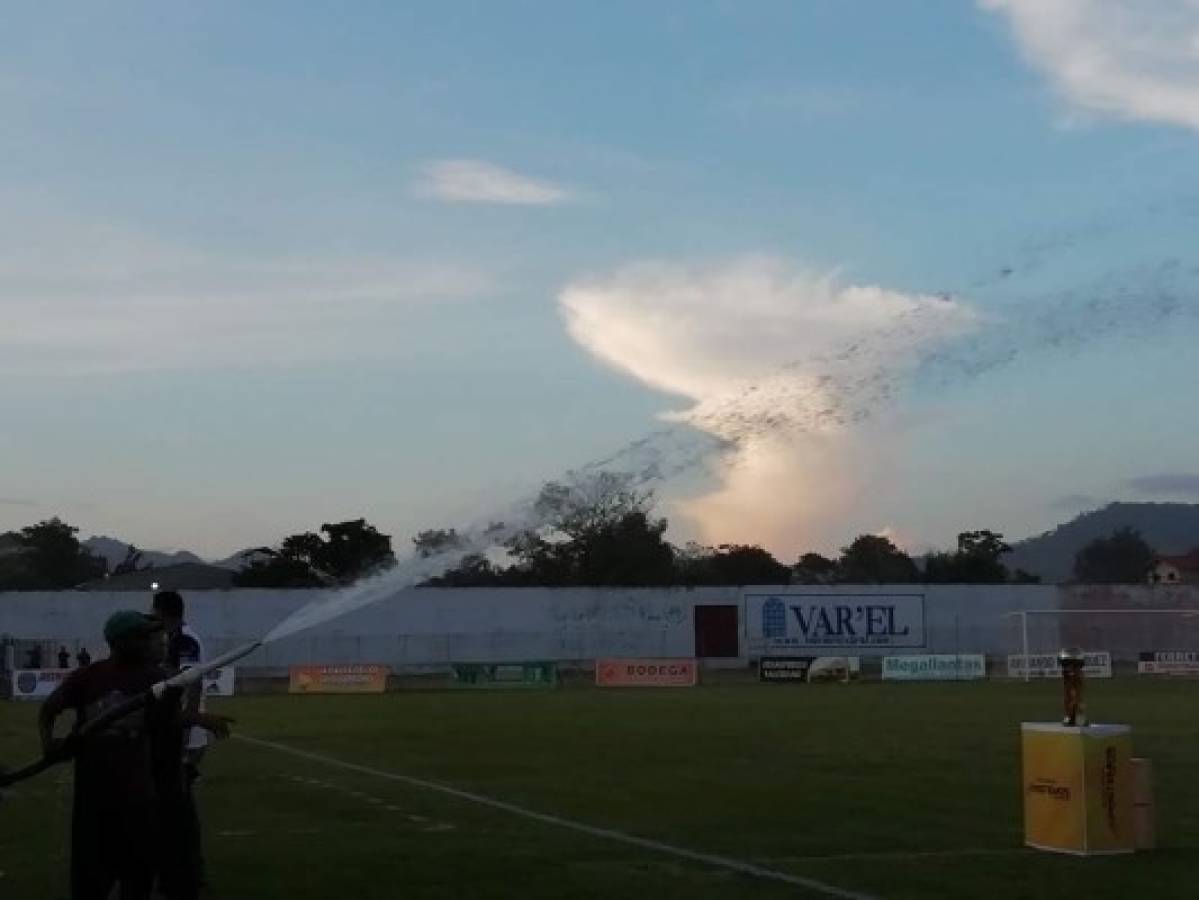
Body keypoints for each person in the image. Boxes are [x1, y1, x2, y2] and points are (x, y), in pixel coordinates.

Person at [151, 590, 208, 897]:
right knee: (176, 804)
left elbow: (193, 679)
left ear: (164, 612)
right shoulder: (175, 638)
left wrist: (189, 725)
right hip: (180, 730)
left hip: (186, 734)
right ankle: (182, 869)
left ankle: (188, 871)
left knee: (179, 805)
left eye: (154, 610)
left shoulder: (184, 640)